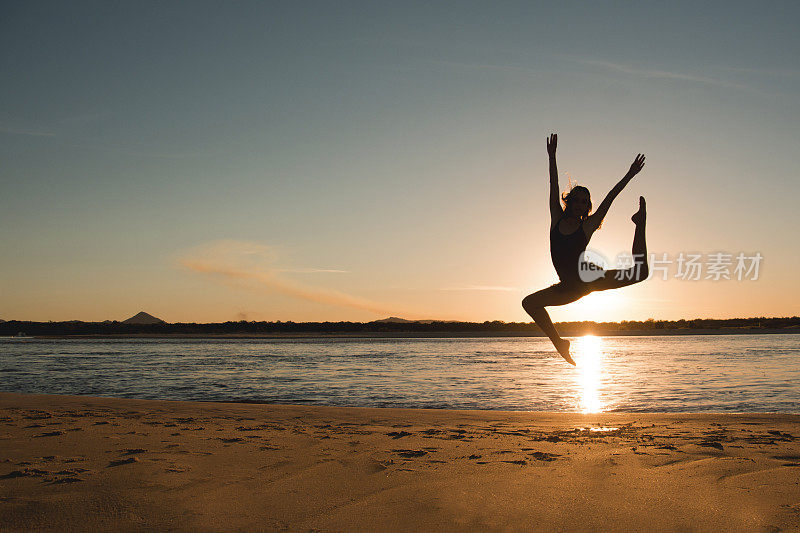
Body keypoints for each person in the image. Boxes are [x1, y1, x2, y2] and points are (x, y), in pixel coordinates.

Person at [522, 134, 649, 365]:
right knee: (528, 303)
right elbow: (553, 184)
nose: (580, 204)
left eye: (585, 202)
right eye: (577, 200)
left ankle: (639, 224)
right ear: (569, 201)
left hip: (590, 279)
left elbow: (611, 196)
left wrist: (630, 174)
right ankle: (560, 343)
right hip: (567, 288)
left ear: (587, 206)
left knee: (640, 273)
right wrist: (552, 157)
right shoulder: (556, 218)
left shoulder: (587, 226)